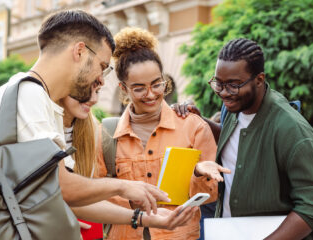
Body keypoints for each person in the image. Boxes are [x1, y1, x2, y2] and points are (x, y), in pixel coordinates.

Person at [0, 9, 178, 236]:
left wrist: (141, 218)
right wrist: (124, 186)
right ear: (80, 51)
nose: (101, 79)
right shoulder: (29, 96)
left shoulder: (29, 96)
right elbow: (64, 188)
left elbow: (61, 195)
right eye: (102, 66)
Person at [172, 38, 313, 240]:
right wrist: (200, 120)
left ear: (259, 79)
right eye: (218, 83)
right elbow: (233, 136)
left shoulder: (293, 130)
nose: (224, 93)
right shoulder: (233, 107)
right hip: (229, 232)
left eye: (233, 85)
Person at [96, 27, 229, 240]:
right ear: (124, 88)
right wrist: (132, 202)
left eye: (157, 84)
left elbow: (211, 194)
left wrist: (197, 173)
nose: (151, 95)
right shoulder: (106, 135)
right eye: (139, 88)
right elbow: (94, 196)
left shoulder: (192, 126)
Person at [60, 84, 198, 239]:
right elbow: (65, 191)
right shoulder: (42, 120)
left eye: (97, 91)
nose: (94, 99)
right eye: (83, 90)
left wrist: (140, 216)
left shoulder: (91, 129)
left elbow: (85, 197)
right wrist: (60, 213)